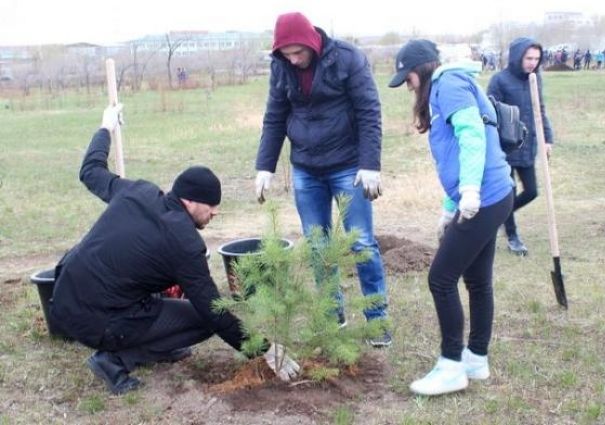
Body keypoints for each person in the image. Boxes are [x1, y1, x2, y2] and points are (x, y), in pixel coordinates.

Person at [50, 104, 299, 395]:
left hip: (63, 298)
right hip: (97, 321)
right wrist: (263, 349)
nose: (215, 212)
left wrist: (106, 126)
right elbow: (212, 311)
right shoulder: (183, 242)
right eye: (211, 205)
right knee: (200, 321)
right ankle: (113, 359)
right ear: (191, 202)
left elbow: (90, 170)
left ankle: (159, 344)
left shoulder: (137, 191)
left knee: (152, 288)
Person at [253, 12, 390, 346]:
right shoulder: (281, 67)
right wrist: (265, 166)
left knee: (361, 243)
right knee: (317, 245)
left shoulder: (346, 58)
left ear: (312, 42)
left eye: (298, 52)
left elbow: (369, 110)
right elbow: (275, 116)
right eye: (287, 55)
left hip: (348, 166)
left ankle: (377, 320)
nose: (294, 60)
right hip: (306, 168)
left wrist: (369, 163)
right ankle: (332, 314)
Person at [389, 40, 513, 395]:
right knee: (477, 280)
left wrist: (471, 191)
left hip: (486, 196)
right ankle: (476, 358)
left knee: (441, 278)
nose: (408, 86)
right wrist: (450, 206)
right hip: (493, 193)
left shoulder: (449, 85)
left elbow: (472, 135)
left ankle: (451, 366)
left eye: (408, 77)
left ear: (422, 69)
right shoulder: (447, 87)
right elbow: (454, 158)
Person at [487, 37, 554, 256]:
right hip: (504, 148)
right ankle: (513, 236)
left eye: (536, 58)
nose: (532, 62)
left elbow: (540, 110)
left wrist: (547, 139)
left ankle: (498, 217)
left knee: (532, 191)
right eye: (528, 58)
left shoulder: (536, 79)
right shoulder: (500, 80)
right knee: (508, 193)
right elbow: (490, 113)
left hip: (528, 146)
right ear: (518, 57)